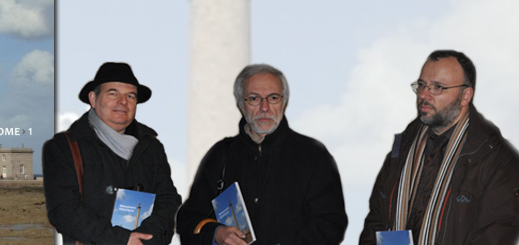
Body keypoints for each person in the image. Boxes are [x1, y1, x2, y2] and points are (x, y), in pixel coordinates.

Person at [360, 50, 519, 244]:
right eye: (421, 85)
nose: (424, 95)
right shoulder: (404, 145)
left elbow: (494, 237)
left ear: (465, 96)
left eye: (438, 87)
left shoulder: (497, 161)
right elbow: (377, 220)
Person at [177, 64, 348, 244]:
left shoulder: (314, 155)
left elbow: (330, 225)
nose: (264, 107)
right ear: (240, 105)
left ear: (284, 102)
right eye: (254, 98)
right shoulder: (221, 155)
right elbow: (187, 219)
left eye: (273, 98)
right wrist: (216, 233)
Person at [43, 62, 181, 245]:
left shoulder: (151, 147)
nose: (123, 102)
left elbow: (168, 200)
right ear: (93, 99)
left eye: (130, 96)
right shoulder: (63, 147)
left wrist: (146, 238)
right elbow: (63, 210)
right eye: (113, 93)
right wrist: (121, 240)